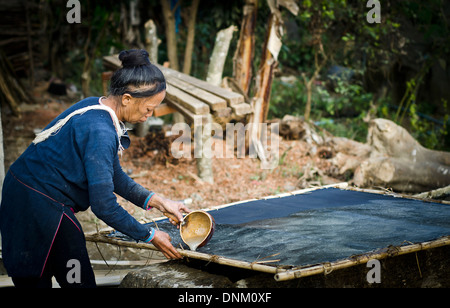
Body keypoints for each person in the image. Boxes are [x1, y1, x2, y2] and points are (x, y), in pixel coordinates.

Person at [0, 49, 190, 288]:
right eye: (148, 109)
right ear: (127, 99)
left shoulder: (96, 106)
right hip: (36, 202)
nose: (148, 116)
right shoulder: (100, 131)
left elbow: (113, 176)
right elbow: (103, 205)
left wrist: (160, 202)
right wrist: (149, 235)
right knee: (65, 279)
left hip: (24, 189)